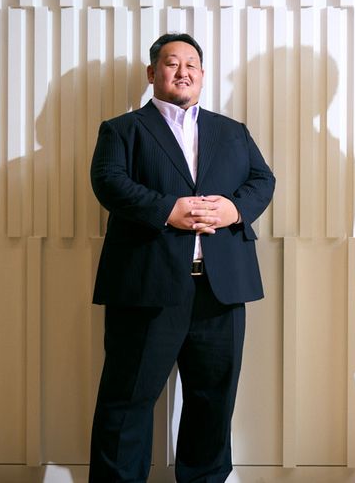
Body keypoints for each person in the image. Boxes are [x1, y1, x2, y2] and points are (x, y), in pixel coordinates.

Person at [88, 33, 275, 483]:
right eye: (172, 63)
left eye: (192, 64)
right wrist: (166, 210)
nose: (183, 71)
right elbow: (108, 181)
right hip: (147, 287)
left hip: (220, 289)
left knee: (213, 402)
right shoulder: (122, 129)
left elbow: (262, 180)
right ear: (152, 73)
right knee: (127, 401)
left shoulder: (232, 131)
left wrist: (233, 210)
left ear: (203, 75)